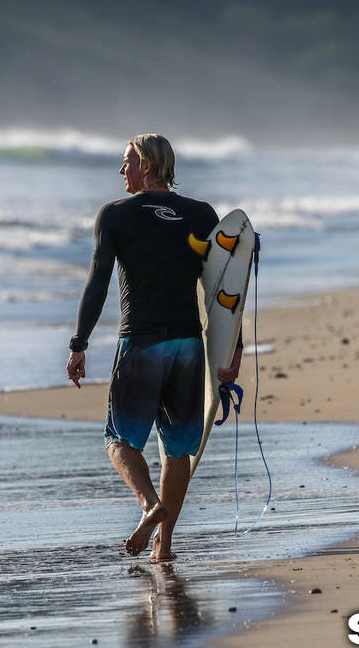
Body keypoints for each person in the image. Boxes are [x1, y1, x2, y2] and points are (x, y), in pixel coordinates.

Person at [66, 133, 241, 561]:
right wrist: (234, 350)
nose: (121, 170)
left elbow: (97, 284)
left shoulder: (115, 215)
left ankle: (149, 505)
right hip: (187, 347)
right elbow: (226, 290)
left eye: (127, 161)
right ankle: (164, 547)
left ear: (145, 164)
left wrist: (79, 343)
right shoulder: (202, 214)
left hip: (142, 343)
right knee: (177, 449)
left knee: (119, 440)